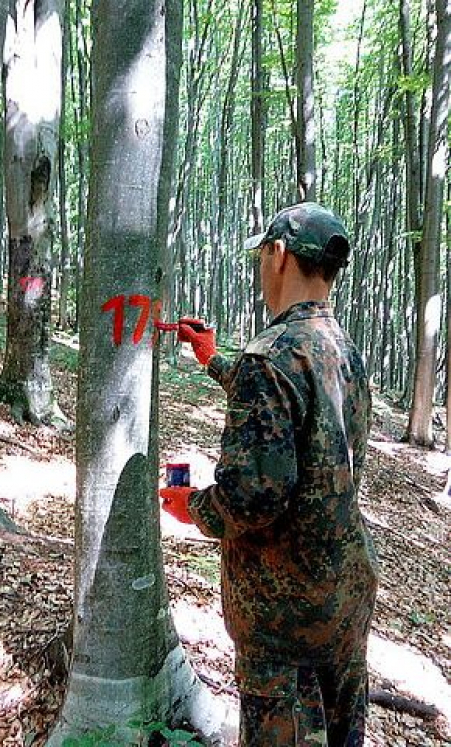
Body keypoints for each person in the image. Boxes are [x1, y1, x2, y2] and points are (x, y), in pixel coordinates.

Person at [160, 202, 378, 747]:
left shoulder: (271, 358)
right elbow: (300, 412)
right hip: (345, 597)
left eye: (263, 253)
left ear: (278, 255)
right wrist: (212, 358)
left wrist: (193, 507)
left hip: (285, 621)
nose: (261, 265)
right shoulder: (342, 351)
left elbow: (254, 497)